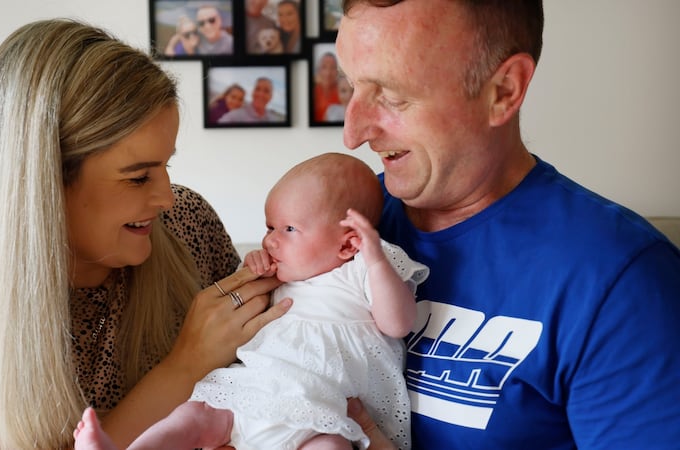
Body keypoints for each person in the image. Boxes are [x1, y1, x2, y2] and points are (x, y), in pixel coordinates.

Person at [0, 18, 289, 450]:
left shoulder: (187, 225)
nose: (167, 198)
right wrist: (183, 367)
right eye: (138, 178)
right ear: (43, 184)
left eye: (166, 166)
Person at [336, 1, 680, 449]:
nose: (353, 132)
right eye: (350, 85)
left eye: (393, 96)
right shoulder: (339, 225)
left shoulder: (622, 281)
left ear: (503, 90)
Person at [73, 152, 429, 449]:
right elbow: (239, 306)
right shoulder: (283, 275)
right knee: (192, 416)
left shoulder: (365, 268)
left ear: (349, 243)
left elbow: (397, 324)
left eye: (288, 229)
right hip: (250, 394)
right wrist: (253, 268)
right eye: (269, 227)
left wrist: (377, 262)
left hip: (322, 414)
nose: (271, 241)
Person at [218, 77, 284, 124]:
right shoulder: (236, 115)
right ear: (252, 92)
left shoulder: (273, 119)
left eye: (266, 91)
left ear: (271, 96)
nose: (260, 94)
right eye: (257, 89)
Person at [312, 52, 341, 123]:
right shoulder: (313, 92)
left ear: (337, 71)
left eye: (332, 67)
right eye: (324, 67)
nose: (328, 73)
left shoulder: (344, 92)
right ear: (319, 70)